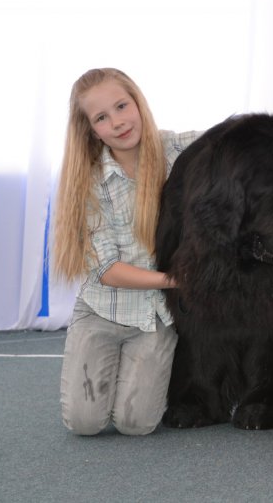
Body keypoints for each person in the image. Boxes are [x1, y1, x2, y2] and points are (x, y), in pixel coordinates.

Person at [52, 68, 202, 436]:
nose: (118, 122)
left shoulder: (178, 149)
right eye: (102, 117)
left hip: (155, 317)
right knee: (85, 424)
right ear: (90, 129)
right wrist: (178, 279)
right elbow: (108, 270)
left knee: (137, 424)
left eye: (122, 106)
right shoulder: (86, 179)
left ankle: (142, 372)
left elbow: (234, 143)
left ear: (138, 102)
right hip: (104, 310)